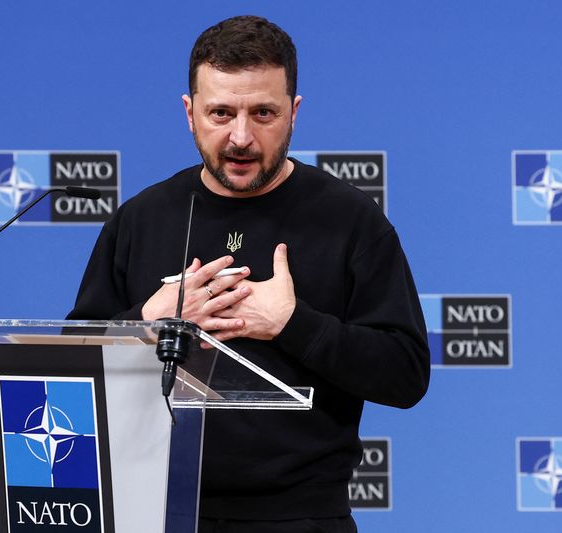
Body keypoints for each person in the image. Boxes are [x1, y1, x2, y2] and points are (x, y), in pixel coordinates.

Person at [67, 15, 430, 533]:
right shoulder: (141, 219)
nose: (241, 137)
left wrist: (292, 323)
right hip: (151, 513)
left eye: (263, 113)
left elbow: (405, 375)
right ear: (189, 113)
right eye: (220, 113)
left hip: (303, 518)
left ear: (293, 113)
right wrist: (149, 323)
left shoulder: (351, 221)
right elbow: (71, 375)